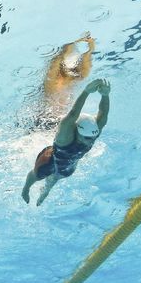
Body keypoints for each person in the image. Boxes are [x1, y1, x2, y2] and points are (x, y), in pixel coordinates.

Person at [22, 78, 110, 206]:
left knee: (54, 180)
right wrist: (86, 92)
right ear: (77, 130)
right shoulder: (65, 137)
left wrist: (105, 95)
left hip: (68, 166)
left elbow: (103, 114)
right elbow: (73, 114)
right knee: (37, 175)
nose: (89, 141)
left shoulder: (93, 133)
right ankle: (26, 189)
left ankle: (44, 193)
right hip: (49, 160)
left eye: (92, 138)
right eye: (86, 138)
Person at [36, 32, 95, 129]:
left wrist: (90, 50)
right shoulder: (54, 81)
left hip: (60, 120)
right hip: (44, 121)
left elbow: (86, 68)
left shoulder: (74, 78)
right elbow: (58, 58)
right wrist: (76, 41)